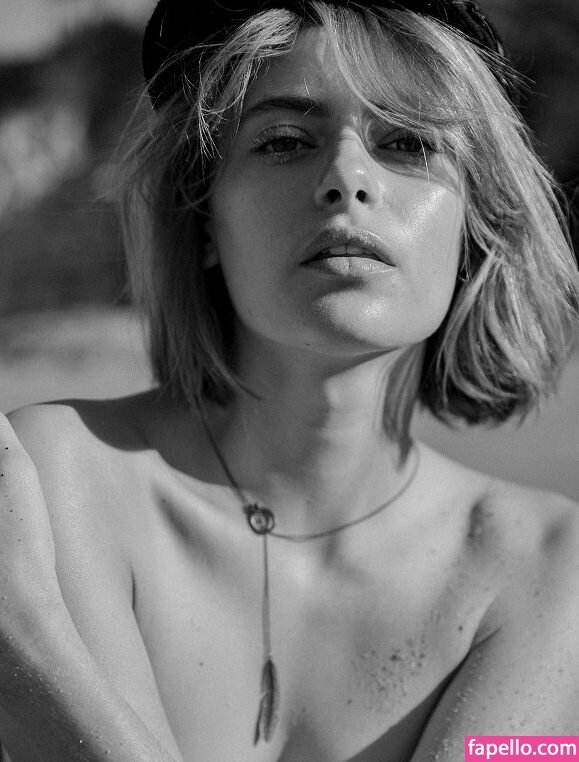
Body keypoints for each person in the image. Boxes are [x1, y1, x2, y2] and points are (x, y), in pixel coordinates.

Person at [1, 1, 578, 760]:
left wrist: (30, 646)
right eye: (283, 141)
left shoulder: (548, 568)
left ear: (473, 222)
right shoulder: (53, 483)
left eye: (407, 141)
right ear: (203, 221)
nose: (346, 178)